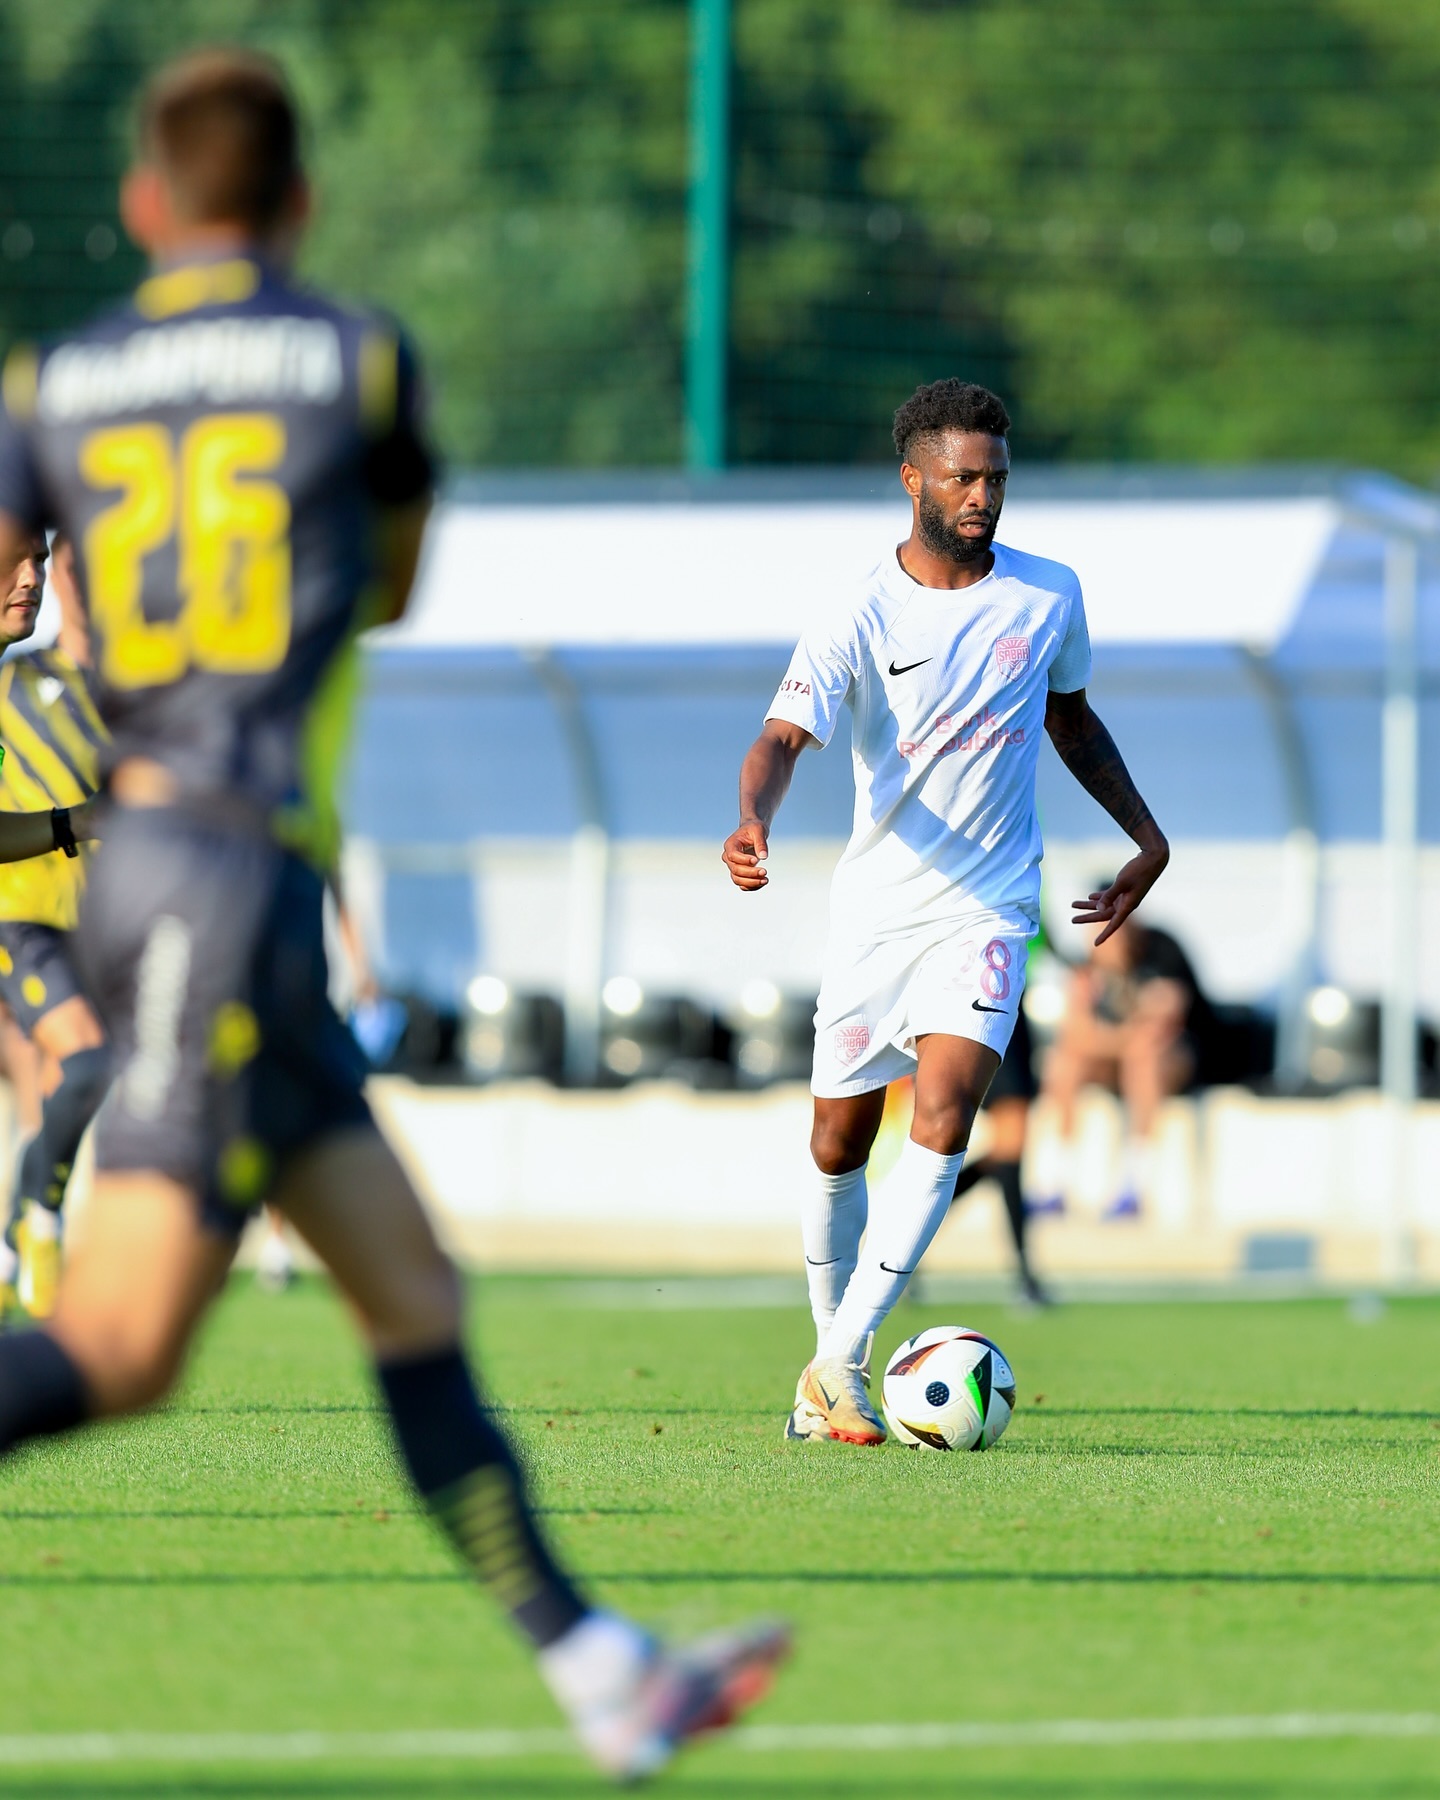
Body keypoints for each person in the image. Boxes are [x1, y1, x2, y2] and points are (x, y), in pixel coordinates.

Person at [0, 49, 785, 1779]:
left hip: (158, 857)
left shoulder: (50, 380)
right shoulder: (352, 355)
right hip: (226, 860)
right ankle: (602, 1676)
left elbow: (39, 577)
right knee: (119, 1348)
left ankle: (603, 1674)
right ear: (301, 203)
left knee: (413, 1292)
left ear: (144, 204)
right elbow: (399, 576)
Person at [722, 378, 1169, 1446]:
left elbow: (1072, 721)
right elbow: (783, 738)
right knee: (839, 1136)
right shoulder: (859, 610)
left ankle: (844, 1361)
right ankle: (827, 1376)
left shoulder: (1049, 593)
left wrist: (1147, 838)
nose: (984, 496)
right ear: (914, 478)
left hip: (990, 905)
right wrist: (752, 819)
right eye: (964, 477)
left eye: (998, 479)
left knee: (946, 1111)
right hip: (877, 915)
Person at [0, 532, 110, 1317]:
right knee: (85, 1059)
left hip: (103, 924)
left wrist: (79, 821)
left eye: (41, 560)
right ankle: (35, 1218)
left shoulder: (137, 690)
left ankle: (21, 1223)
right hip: (24, 918)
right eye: (18, 557)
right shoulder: (15, 682)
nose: (30, 578)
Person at [1036, 914, 1214, 1218]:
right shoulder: (1089, 967)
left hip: (1179, 1060)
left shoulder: (1161, 951)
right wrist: (1118, 1038)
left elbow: (1162, 1026)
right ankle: (1055, 1183)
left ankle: (1134, 1185)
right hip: (1119, 1055)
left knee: (1144, 1061)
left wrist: (1109, 1038)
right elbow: (1075, 1032)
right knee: (1065, 1062)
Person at [948, 1004, 1049, 1304]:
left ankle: (898, 1248)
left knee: (1005, 1157)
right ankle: (1025, 1275)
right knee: (1009, 1150)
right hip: (987, 1008)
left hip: (1005, 1009)